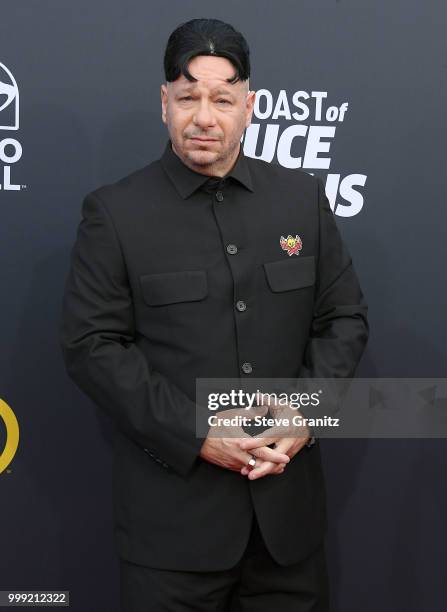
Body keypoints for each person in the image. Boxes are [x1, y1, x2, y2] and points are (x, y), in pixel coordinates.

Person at [59, 17, 369, 612]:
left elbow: (344, 319)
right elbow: (91, 347)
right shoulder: (115, 214)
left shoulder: (301, 199)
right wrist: (196, 433)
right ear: (164, 103)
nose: (204, 117)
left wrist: (305, 417)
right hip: (172, 536)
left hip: (288, 531)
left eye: (222, 98)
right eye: (187, 97)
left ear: (249, 105)